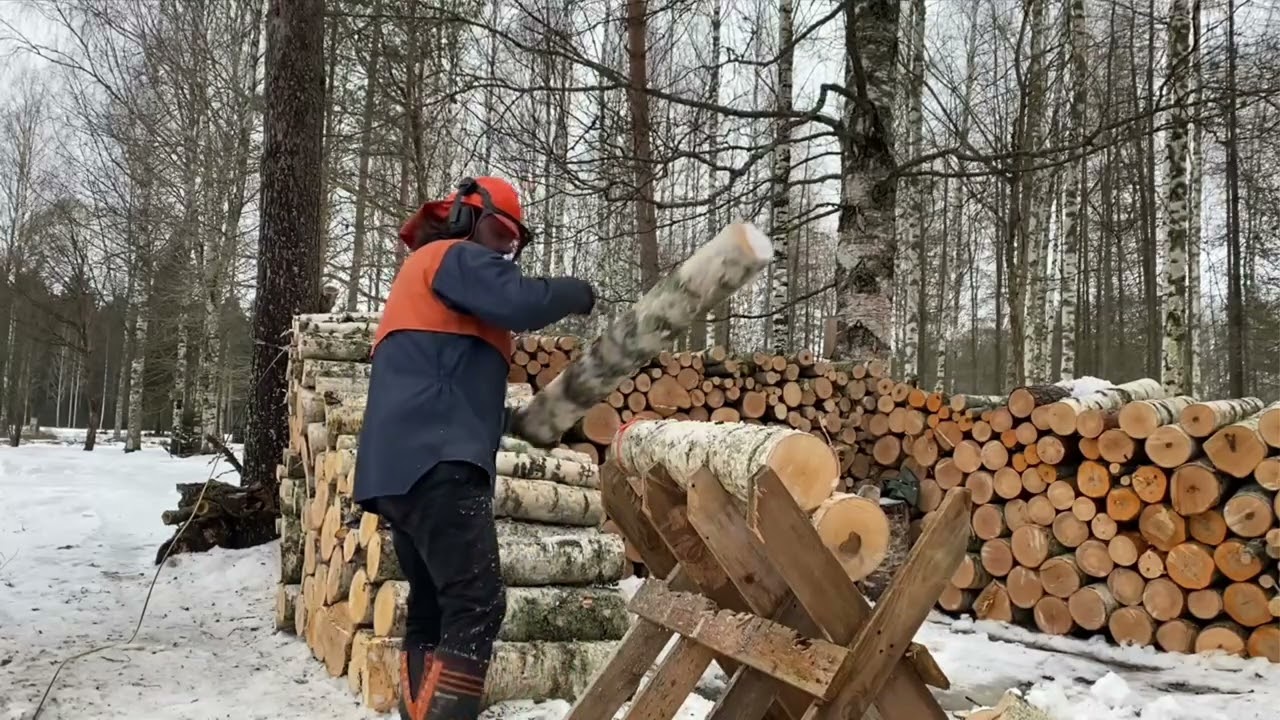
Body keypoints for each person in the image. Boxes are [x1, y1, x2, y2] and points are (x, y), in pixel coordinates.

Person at [353, 176, 595, 720]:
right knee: (478, 605)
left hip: (400, 469)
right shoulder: (451, 257)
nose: (501, 251)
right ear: (464, 217)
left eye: (511, 243)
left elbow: (445, 383)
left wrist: (522, 420)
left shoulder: (435, 287)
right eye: (496, 233)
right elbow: (521, 302)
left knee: (435, 610)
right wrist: (577, 292)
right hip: (437, 461)